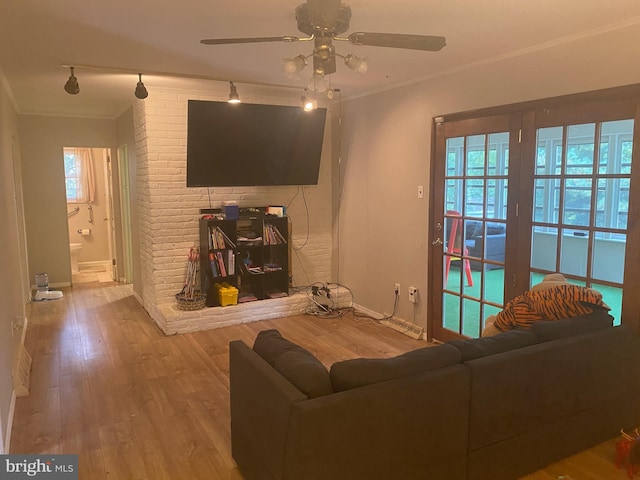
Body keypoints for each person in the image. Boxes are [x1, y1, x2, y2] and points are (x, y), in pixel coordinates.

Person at [481, 273, 609, 337]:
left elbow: (489, 334)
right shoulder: (587, 310)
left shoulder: (521, 304)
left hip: (518, 342)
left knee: (491, 321)